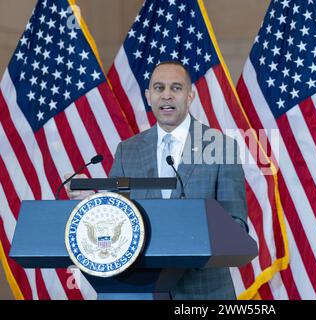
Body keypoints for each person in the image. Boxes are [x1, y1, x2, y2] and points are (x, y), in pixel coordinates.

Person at [67, 60, 247, 300]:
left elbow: (237, 225)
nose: (167, 96)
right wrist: (92, 202)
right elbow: (115, 217)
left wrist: (195, 238)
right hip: (139, 290)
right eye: (159, 88)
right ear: (148, 96)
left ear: (190, 96)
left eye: (176, 88)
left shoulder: (221, 147)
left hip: (204, 293)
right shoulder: (127, 150)